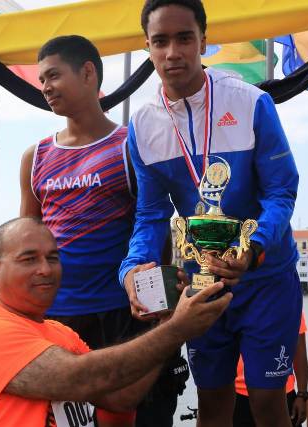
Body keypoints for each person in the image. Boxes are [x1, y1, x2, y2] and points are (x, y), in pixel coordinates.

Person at [120, 1, 302, 426]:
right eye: (160, 41)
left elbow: (281, 192)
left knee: (266, 401)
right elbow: (150, 214)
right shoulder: (143, 126)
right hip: (201, 279)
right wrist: (132, 269)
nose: (172, 53)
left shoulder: (251, 102)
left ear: (204, 40)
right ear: (147, 46)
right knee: (212, 399)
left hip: (266, 277)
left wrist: (253, 249)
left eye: (184, 38)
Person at [19, 35, 182, 427]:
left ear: (88, 73)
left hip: (123, 313)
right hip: (57, 315)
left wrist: (159, 307)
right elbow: (26, 240)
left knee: (137, 415)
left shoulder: (130, 145)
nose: (45, 87)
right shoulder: (36, 156)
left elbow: (155, 226)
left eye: (53, 75)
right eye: (41, 80)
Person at [0, 217, 231, 426]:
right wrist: (176, 330)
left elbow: (119, 396)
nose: (46, 269)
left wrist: (166, 324)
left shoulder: (60, 333)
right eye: (29, 259)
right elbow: (80, 378)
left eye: (52, 258)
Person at [233, 313, 308, 427]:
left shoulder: (287, 303)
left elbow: (299, 351)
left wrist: (302, 394)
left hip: (281, 392)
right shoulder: (235, 303)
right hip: (237, 393)